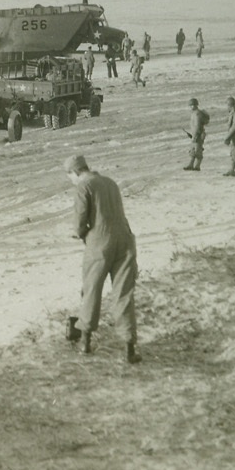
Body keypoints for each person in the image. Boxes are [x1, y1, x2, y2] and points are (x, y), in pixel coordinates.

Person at [63, 155, 140, 363]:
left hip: (99, 243)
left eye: (69, 176)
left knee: (91, 290)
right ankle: (129, 348)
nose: (71, 180)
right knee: (124, 293)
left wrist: (78, 233)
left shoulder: (83, 186)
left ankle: (85, 343)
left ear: (75, 172)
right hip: (125, 240)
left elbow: (80, 222)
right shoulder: (110, 183)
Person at [183, 98, 209, 171]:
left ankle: (197, 166)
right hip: (195, 134)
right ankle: (191, 165)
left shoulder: (197, 114)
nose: (191, 107)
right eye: (190, 105)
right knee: (193, 150)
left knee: (198, 150)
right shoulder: (194, 113)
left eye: (192, 105)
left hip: (198, 134)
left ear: (195, 105)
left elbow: (197, 126)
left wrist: (196, 135)